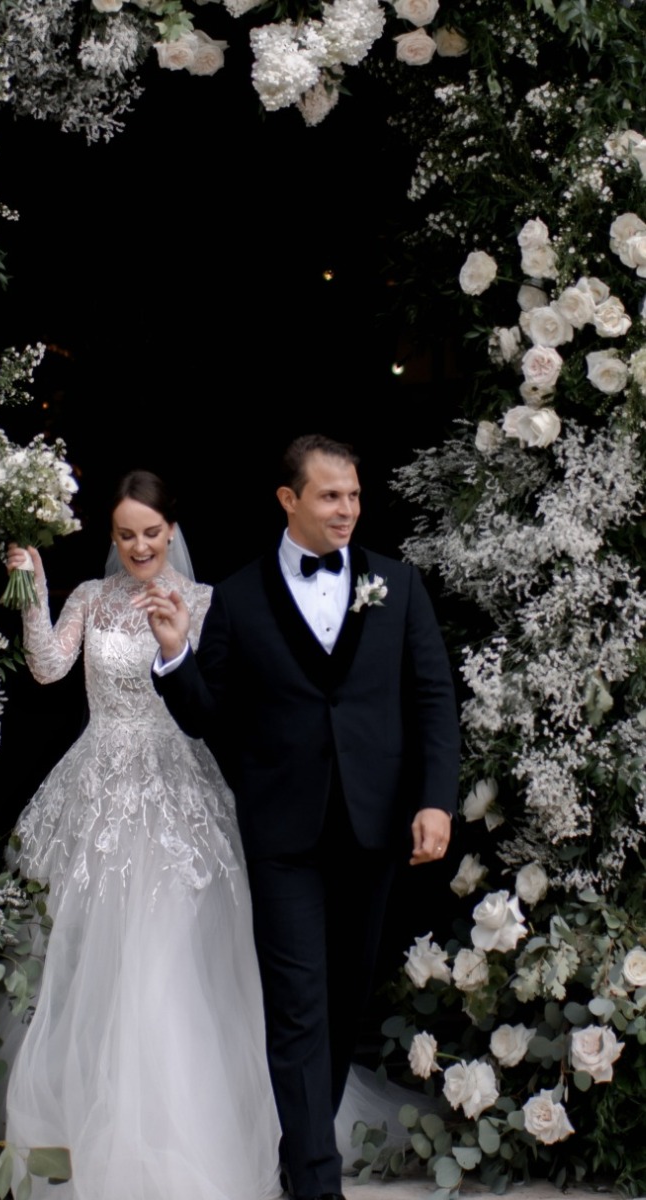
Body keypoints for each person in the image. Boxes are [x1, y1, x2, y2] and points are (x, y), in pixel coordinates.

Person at [140, 435, 462, 1200]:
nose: (347, 509)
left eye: (352, 495)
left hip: (375, 826)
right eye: (329, 496)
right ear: (289, 500)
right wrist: (176, 657)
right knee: (297, 1007)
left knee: (346, 1002)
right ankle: (317, 1181)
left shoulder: (399, 583)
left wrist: (435, 798)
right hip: (283, 834)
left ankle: (301, 1147)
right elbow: (206, 717)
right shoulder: (240, 597)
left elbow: (432, 699)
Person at [3, 470, 282, 1200]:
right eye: (125, 535)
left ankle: (179, 1133)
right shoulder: (90, 599)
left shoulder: (204, 600)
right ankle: (92, 1125)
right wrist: (31, 587)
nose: (138, 547)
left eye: (150, 533)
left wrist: (180, 641)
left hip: (175, 788)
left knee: (170, 959)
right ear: (112, 536)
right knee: (96, 956)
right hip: (97, 787)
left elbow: (223, 702)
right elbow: (48, 667)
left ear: (172, 530)